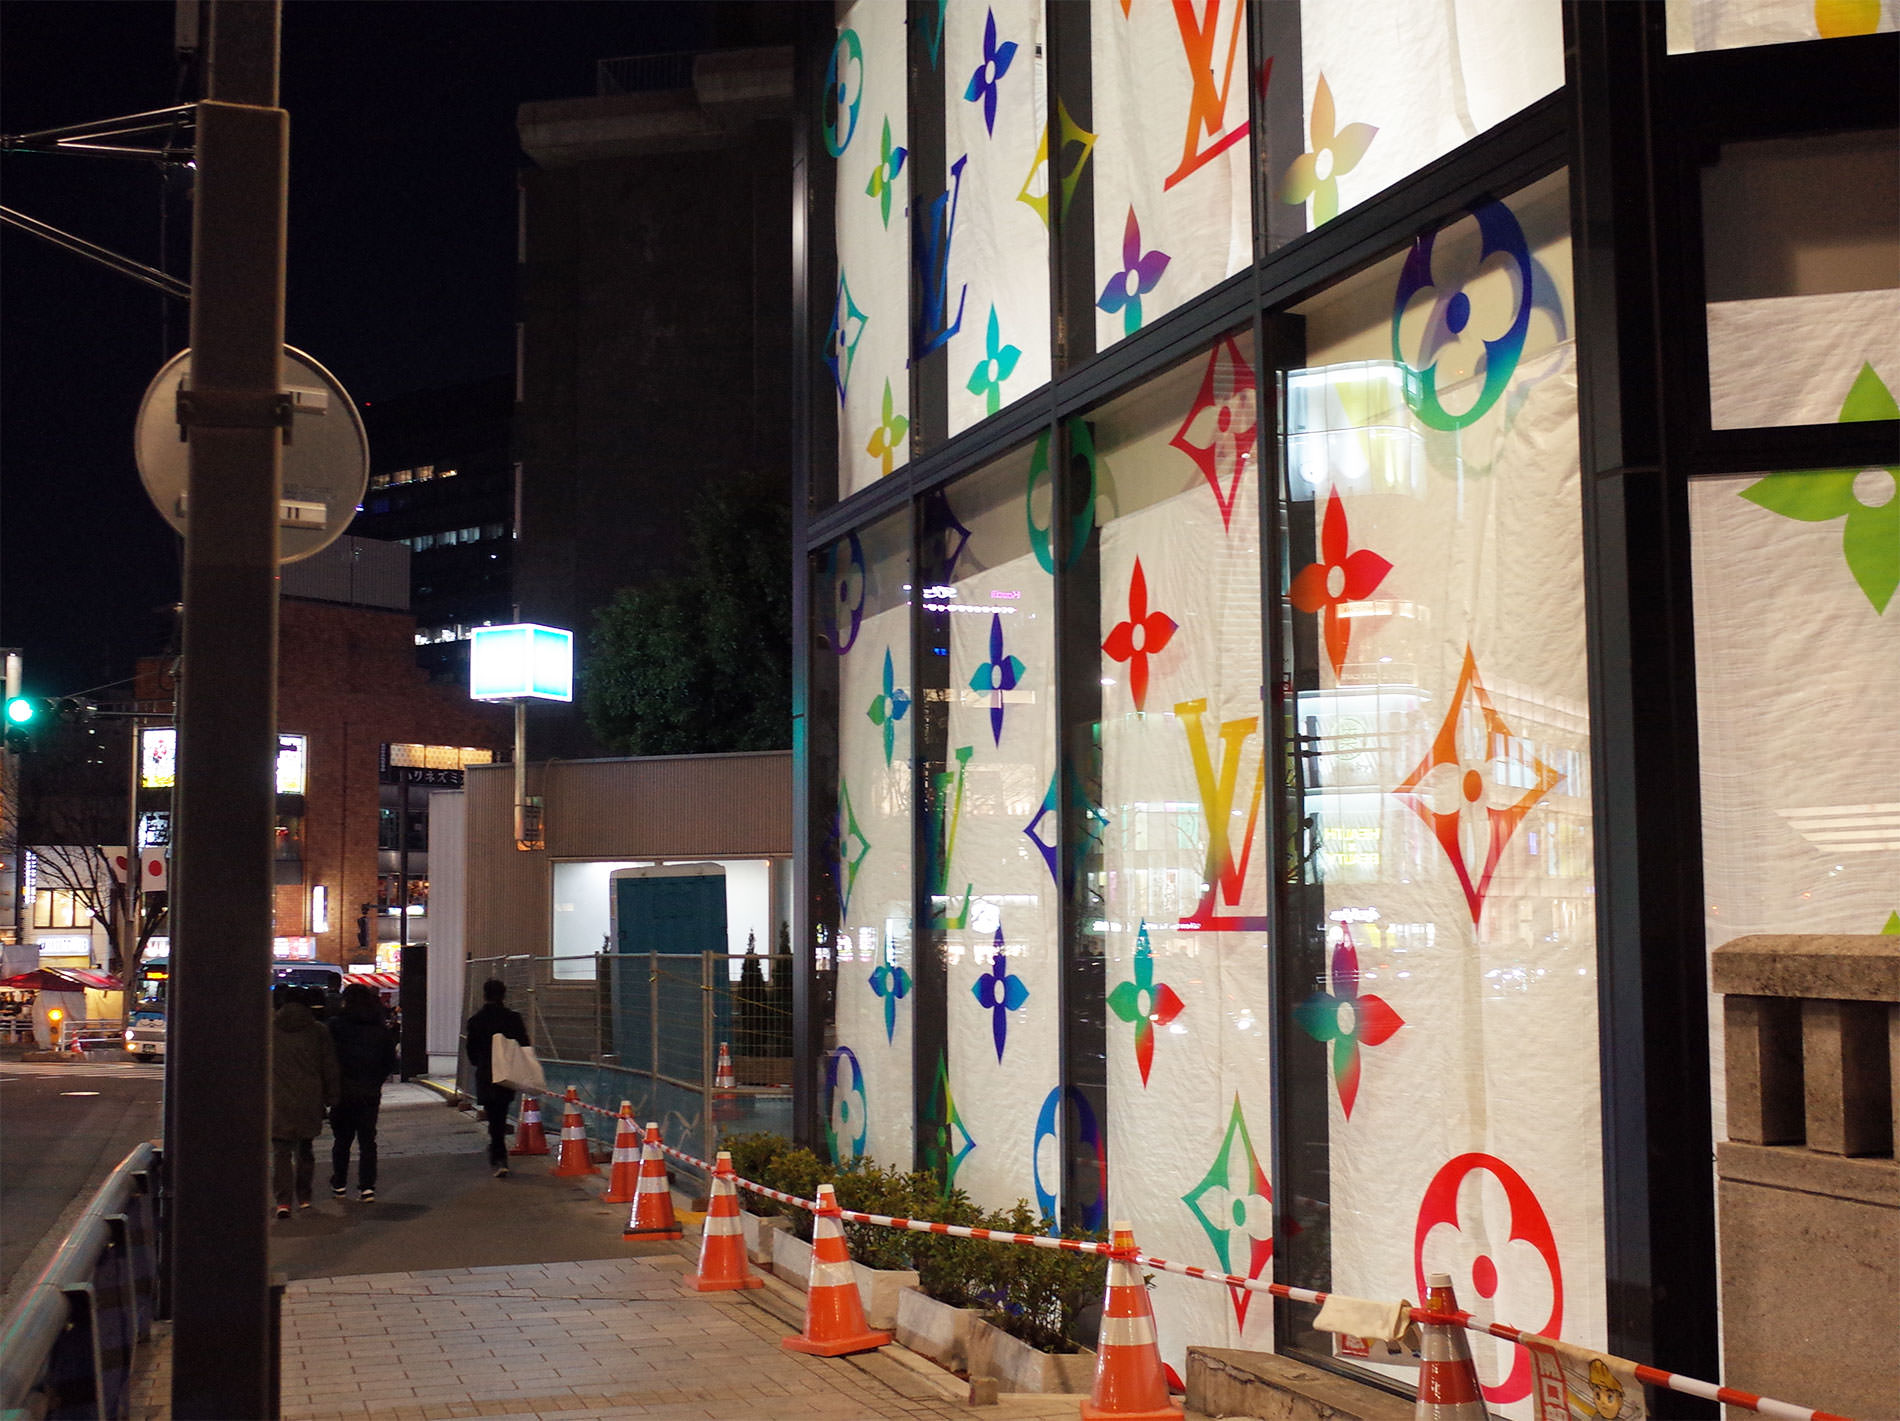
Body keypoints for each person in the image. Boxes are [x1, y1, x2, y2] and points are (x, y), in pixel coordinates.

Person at [271, 984, 339, 1218]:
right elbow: (328, 1066)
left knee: (280, 1152)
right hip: (309, 1098)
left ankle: (282, 1201)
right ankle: (305, 1197)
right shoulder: (318, 1031)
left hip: (277, 1099)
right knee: (305, 1149)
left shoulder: (269, 1029)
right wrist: (332, 1096)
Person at [327, 983, 397, 1201]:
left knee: (342, 1140)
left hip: (342, 1091)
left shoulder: (335, 1027)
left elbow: (327, 1059)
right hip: (369, 1092)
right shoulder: (379, 1030)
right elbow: (390, 1063)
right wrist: (376, 1081)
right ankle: (367, 1186)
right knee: (368, 1140)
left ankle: (339, 1183)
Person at [464, 979, 529, 1177]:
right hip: (507, 1072)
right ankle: (498, 1153)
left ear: (484, 995)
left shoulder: (476, 1021)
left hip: (486, 1072)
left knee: (493, 1114)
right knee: (501, 1111)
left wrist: (481, 1062)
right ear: (503, 995)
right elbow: (524, 1044)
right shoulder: (513, 1019)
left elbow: (472, 1051)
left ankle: (498, 1154)